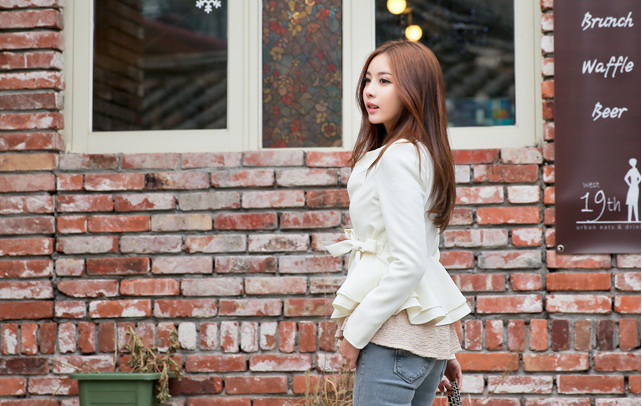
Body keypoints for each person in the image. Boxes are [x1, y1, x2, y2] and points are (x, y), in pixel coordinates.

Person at [326, 40, 471, 406]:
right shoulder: (424, 153)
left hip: (393, 337)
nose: (369, 91)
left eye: (385, 81)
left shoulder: (395, 158)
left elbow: (409, 263)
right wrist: (442, 349)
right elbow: (425, 255)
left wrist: (355, 334)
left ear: (415, 90)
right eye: (367, 80)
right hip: (423, 340)